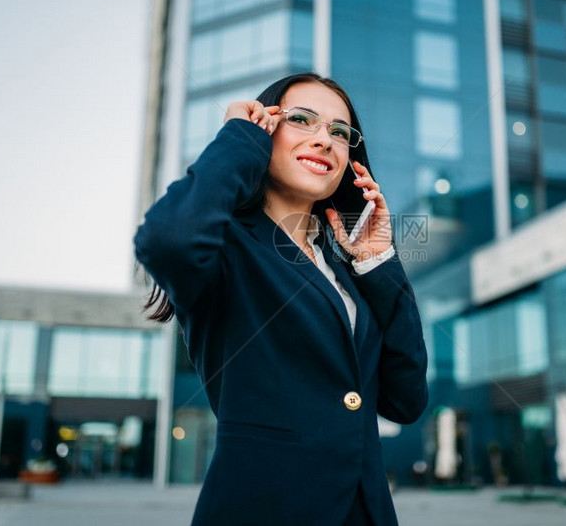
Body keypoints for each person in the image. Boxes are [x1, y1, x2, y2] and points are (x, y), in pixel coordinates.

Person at [133, 72, 428, 525]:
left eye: (339, 131)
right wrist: (238, 137)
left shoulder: (345, 272)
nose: (324, 140)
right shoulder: (226, 248)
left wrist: (377, 262)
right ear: (265, 128)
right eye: (302, 120)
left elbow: (405, 400)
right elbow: (168, 239)